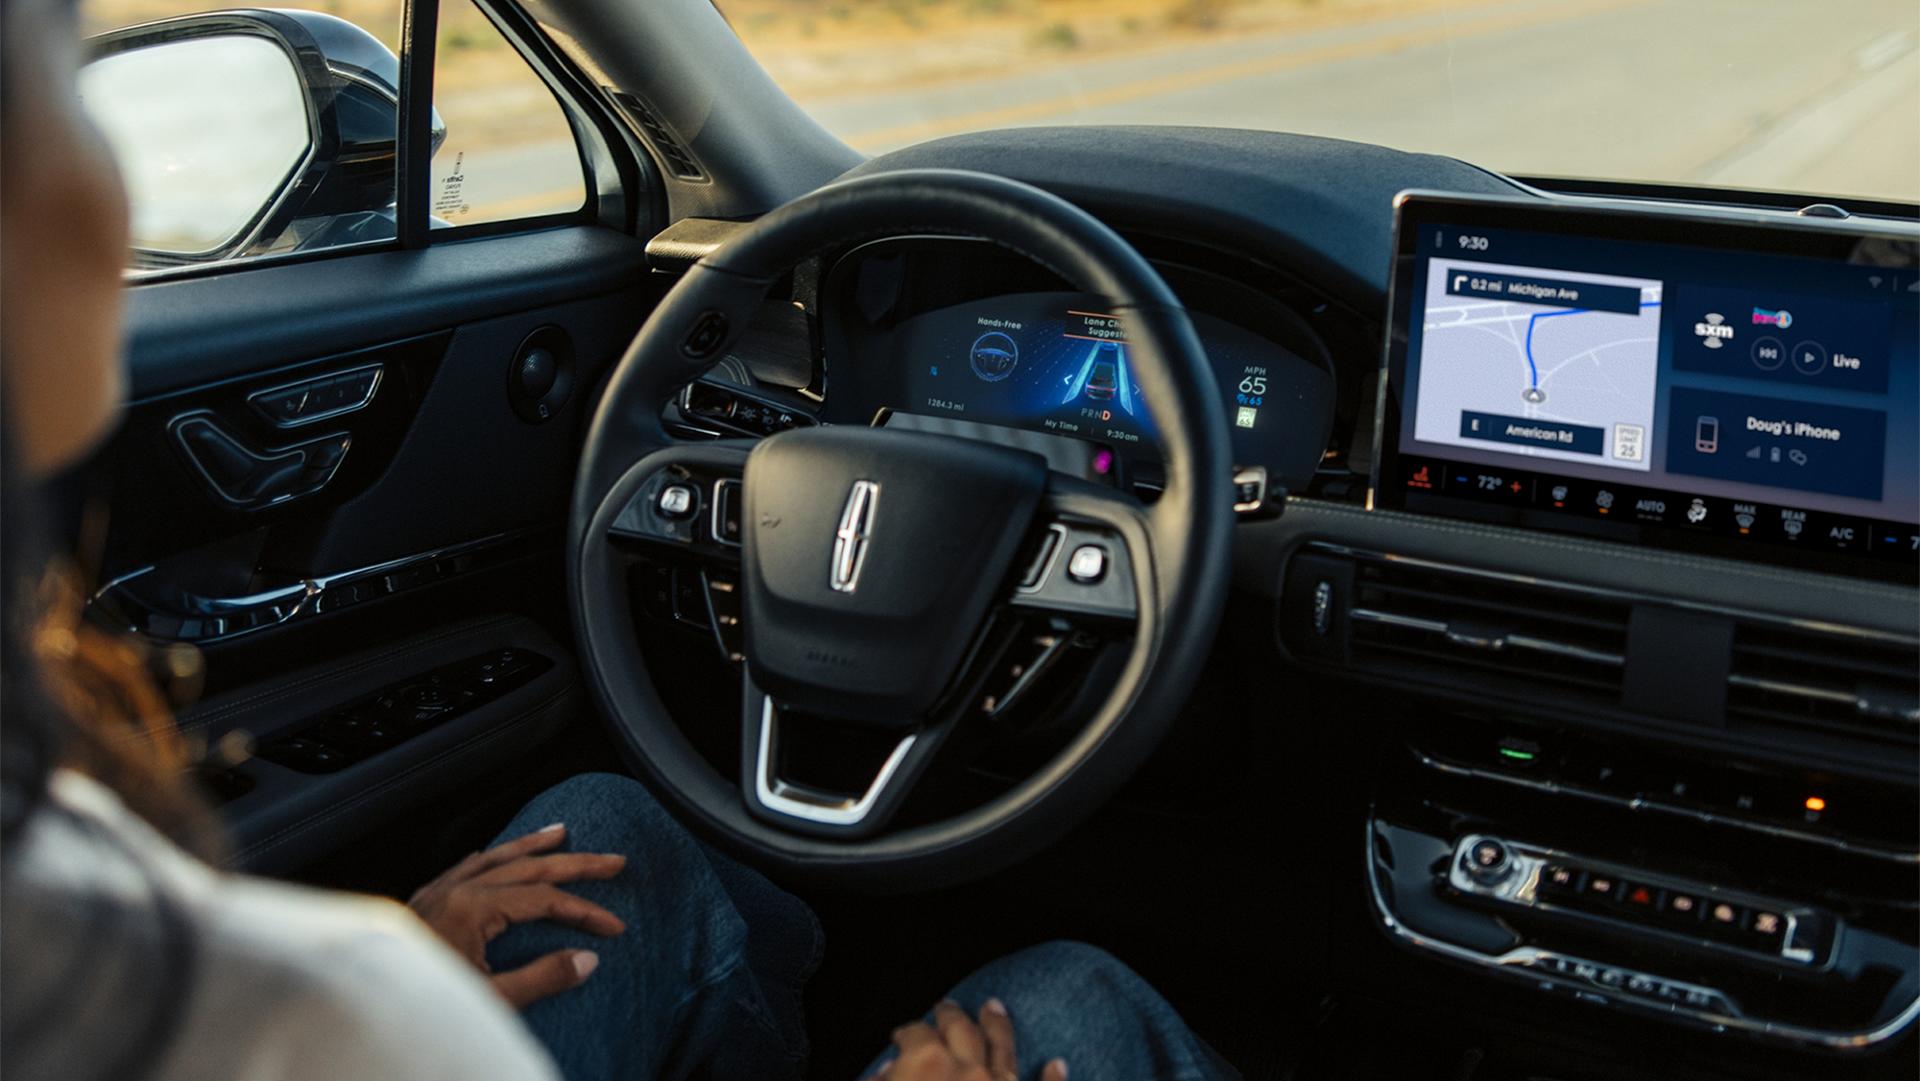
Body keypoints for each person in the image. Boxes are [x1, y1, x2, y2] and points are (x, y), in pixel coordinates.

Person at [0, 1, 1242, 1079]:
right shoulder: (311, 1015)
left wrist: (393, 946)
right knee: (1065, 997)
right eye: (68, 79)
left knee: (603, 828)